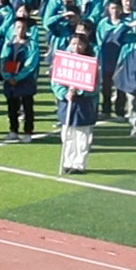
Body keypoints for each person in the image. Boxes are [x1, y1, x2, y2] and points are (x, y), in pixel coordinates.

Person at [59, 33, 99, 174]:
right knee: (67, 135)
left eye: (80, 44)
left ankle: (79, 163)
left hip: (84, 105)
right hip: (67, 102)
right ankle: (68, 161)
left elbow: (94, 87)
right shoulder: (64, 60)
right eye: (73, 44)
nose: (76, 47)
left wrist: (80, 91)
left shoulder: (91, 62)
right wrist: (64, 93)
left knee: (82, 136)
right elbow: (56, 82)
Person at [1, 16, 39, 143]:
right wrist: (7, 76)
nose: (20, 30)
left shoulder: (31, 43)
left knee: (27, 107)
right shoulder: (9, 43)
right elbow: (3, 60)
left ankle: (28, 132)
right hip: (10, 80)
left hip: (25, 80)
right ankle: (13, 130)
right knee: (12, 106)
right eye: (17, 27)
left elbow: (31, 63)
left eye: (23, 27)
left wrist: (18, 77)